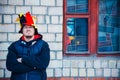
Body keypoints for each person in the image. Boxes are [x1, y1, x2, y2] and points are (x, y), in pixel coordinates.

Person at [6, 12, 50, 80]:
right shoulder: (14, 46)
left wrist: (23, 60)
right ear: (22, 30)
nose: (28, 29)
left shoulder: (43, 45)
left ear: (34, 30)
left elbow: (43, 64)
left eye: (30, 27)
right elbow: (10, 65)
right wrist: (34, 66)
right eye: (25, 27)